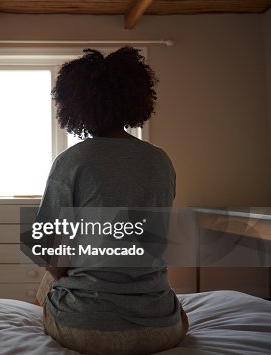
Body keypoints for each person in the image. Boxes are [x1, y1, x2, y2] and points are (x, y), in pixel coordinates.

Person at [35, 47, 188, 355]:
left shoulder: (71, 161)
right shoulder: (161, 161)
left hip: (88, 330)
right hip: (162, 329)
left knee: (45, 285)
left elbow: (51, 254)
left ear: (74, 106)